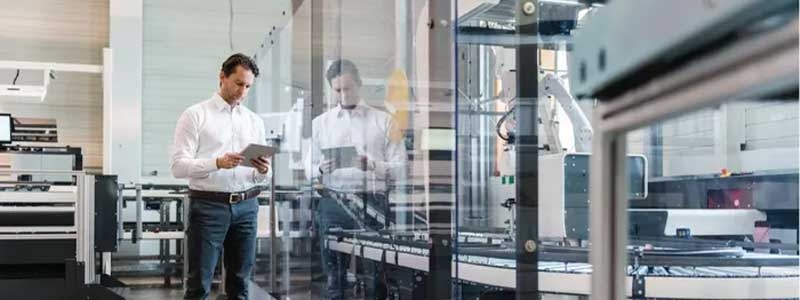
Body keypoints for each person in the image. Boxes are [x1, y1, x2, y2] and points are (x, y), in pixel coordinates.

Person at [171, 53, 271, 300]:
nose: (243, 92)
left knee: (241, 283)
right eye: (239, 83)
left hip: (247, 207)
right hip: (208, 207)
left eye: (248, 86)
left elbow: (262, 177)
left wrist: (263, 171)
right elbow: (178, 167)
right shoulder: (195, 115)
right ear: (222, 77)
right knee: (199, 284)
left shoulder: (255, 122)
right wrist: (217, 163)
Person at [306, 59, 406, 299]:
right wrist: (320, 168)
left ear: (359, 84)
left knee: (375, 274)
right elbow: (308, 168)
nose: (343, 94)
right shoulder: (320, 124)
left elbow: (401, 169)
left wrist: (372, 165)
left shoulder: (385, 121)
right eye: (338, 90)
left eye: (348, 88)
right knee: (334, 275)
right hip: (333, 203)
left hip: (372, 203)